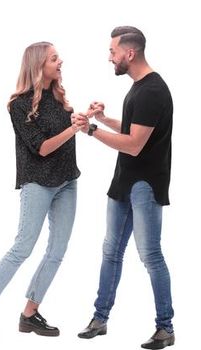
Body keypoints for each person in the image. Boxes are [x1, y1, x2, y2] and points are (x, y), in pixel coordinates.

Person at [0, 41, 84, 341]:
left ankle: (29, 314)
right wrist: (73, 129)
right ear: (39, 65)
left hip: (66, 182)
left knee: (57, 251)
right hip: (37, 182)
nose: (60, 61)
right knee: (23, 247)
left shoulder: (59, 97)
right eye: (54, 58)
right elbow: (43, 148)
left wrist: (83, 119)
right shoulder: (19, 104)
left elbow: (66, 136)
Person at [76, 26, 175, 350]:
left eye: (112, 51)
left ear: (129, 53)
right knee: (110, 252)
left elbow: (133, 144)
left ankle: (165, 328)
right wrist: (104, 119)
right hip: (124, 183)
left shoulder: (152, 91)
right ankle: (100, 319)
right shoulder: (139, 88)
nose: (110, 57)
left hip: (145, 185)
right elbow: (133, 130)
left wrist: (91, 130)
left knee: (150, 255)